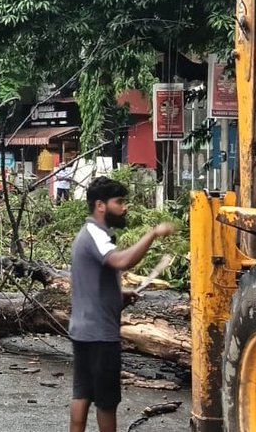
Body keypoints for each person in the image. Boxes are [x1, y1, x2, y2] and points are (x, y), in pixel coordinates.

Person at [69, 177, 175, 432]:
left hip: (83, 330)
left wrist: (120, 294)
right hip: (99, 334)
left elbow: (90, 283)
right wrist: (152, 234)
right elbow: (121, 261)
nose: (125, 207)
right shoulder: (95, 234)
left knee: (82, 394)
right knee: (106, 401)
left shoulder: (91, 234)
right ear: (100, 206)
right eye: (120, 202)